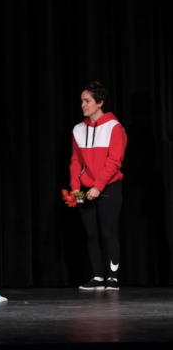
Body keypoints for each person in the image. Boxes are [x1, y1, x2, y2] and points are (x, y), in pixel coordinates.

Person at [70, 81, 126, 291]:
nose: (83, 105)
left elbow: (115, 160)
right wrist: (76, 188)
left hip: (108, 187)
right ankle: (98, 277)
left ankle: (113, 279)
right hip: (85, 188)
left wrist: (99, 186)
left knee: (108, 232)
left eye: (88, 101)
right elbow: (76, 161)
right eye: (82, 101)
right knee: (91, 234)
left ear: (100, 102)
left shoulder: (114, 127)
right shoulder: (78, 129)